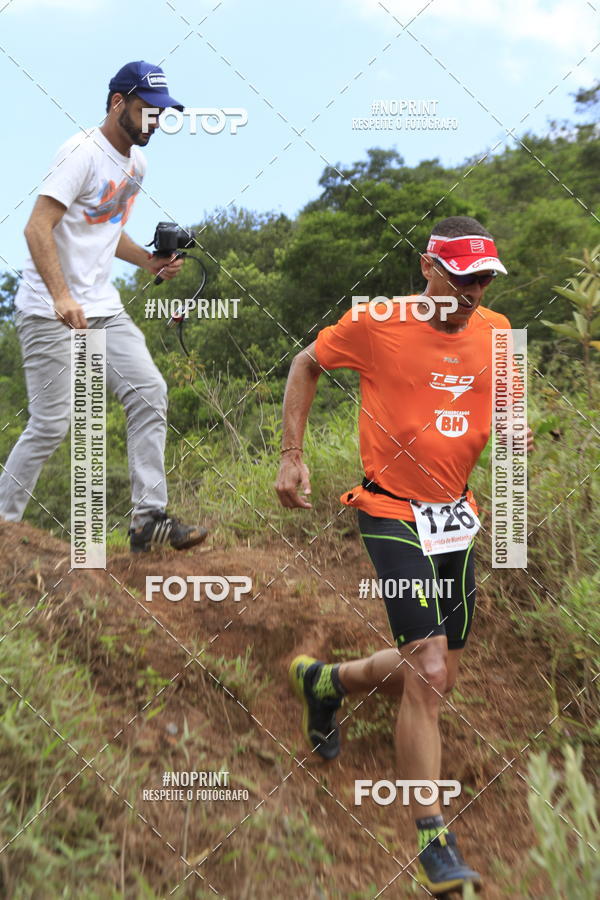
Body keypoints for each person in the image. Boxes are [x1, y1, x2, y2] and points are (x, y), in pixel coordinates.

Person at [275, 216, 534, 895]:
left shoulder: (500, 330)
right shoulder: (376, 321)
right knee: (428, 667)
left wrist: (514, 427)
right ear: (428, 268)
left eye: (484, 279)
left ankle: (325, 683)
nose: (473, 292)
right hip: (390, 509)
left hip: (457, 514)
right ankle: (434, 839)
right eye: (462, 277)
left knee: (439, 662)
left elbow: (505, 403)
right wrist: (292, 457)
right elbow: (306, 363)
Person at [0, 61, 207, 553]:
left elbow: (106, 227)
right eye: (146, 110)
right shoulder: (80, 154)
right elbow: (36, 227)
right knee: (52, 422)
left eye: (161, 114)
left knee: (149, 391)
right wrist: (61, 295)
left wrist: (150, 263)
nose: (154, 121)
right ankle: (3, 526)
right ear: (118, 103)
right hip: (49, 311)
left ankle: (147, 520)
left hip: (103, 307)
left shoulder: (137, 165)